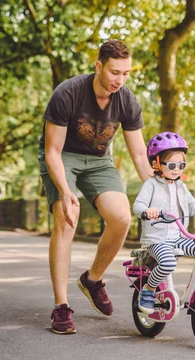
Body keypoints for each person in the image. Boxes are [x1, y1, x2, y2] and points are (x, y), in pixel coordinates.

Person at [38, 40, 152, 334]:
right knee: (66, 220)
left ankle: (93, 278)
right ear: (98, 66)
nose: (120, 80)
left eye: (126, 73)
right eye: (115, 72)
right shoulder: (68, 93)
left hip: (99, 161)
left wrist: (160, 187)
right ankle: (61, 307)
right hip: (64, 156)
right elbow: (52, 151)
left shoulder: (126, 100)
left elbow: (140, 155)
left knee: (121, 218)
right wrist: (66, 191)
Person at [132, 132, 195, 314]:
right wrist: (147, 211)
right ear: (156, 163)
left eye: (181, 165)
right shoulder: (151, 185)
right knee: (167, 263)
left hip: (179, 238)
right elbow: (138, 205)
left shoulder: (181, 187)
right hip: (157, 240)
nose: (177, 169)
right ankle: (148, 290)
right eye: (172, 164)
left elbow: (193, 206)